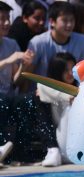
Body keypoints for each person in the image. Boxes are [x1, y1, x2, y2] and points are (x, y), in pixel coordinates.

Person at [27, 1, 84, 167]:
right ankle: (52, 149)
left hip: (74, 94)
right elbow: (31, 78)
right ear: (52, 22)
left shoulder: (82, 40)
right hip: (46, 97)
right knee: (39, 93)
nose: (69, 24)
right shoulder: (38, 42)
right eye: (65, 20)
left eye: (72, 20)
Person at [0, 1, 34, 166]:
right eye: (1, 19)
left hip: (8, 96)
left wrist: (24, 65)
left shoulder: (11, 44)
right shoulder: (11, 51)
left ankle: (18, 154)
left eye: (8, 18)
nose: (6, 23)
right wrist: (8, 60)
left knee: (26, 101)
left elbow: (15, 81)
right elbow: (7, 62)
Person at [37, 53, 76, 162]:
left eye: (72, 70)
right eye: (65, 70)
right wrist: (69, 97)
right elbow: (41, 85)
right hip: (65, 144)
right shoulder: (47, 88)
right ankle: (52, 150)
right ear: (57, 71)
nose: (70, 74)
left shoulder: (80, 87)